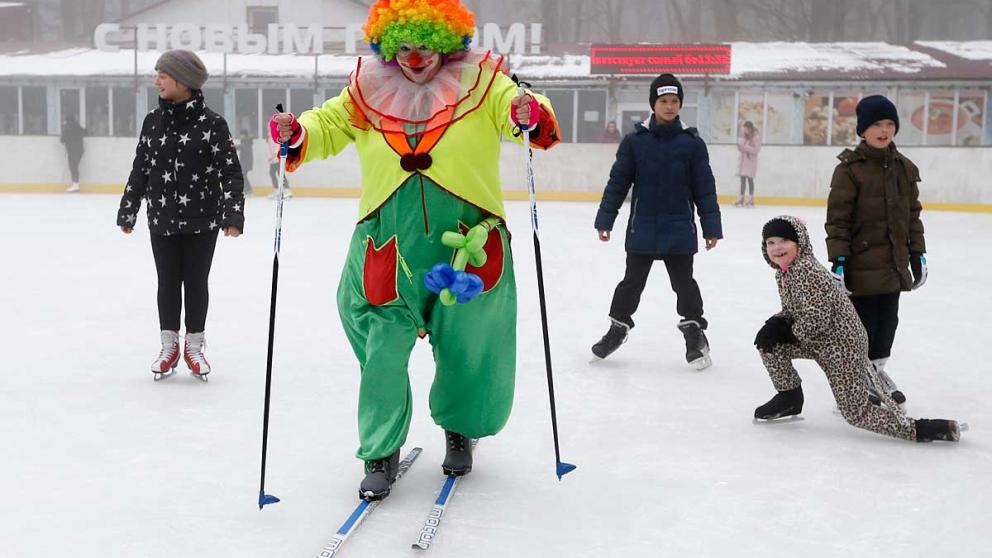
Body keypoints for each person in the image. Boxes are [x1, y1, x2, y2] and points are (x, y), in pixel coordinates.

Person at [269, 0, 560, 500]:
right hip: (388, 241)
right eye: (402, 47)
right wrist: (300, 133)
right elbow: (330, 124)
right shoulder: (367, 87)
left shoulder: (483, 80)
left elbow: (523, 114)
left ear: (446, 41)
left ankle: (460, 428)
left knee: (470, 345)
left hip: (467, 242)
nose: (414, 58)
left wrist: (529, 113)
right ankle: (380, 450)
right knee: (382, 349)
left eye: (425, 46)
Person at [753, 216, 959, 443]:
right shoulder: (786, 272)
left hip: (842, 347)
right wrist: (775, 324)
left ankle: (923, 429)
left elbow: (817, 318)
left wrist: (786, 332)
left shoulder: (806, 271)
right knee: (770, 344)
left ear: (799, 243)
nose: (777, 247)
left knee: (856, 413)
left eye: (784, 240)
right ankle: (789, 397)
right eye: (770, 242)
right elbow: (796, 310)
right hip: (819, 338)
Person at [116, 49, 245, 381]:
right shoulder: (153, 121)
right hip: (162, 217)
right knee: (168, 282)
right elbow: (140, 168)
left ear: (183, 81)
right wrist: (128, 207)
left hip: (203, 220)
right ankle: (169, 344)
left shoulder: (213, 124)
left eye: (163, 74)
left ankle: (194, 345)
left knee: (196, 282)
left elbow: (230, 172)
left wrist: (233, 214)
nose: (156, 80)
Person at [591, 73, 722, 370]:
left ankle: (694, 334)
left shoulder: (692, 144)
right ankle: (616, 330)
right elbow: (618, 183)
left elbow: (704, 188)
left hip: (679, 229)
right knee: (630, 285)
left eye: (675, 101)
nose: (670, 106)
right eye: (664, 101)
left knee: (684, 285)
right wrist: (606, 219)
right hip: (643, 228)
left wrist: (711, 227)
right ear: (653, 104)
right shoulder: (635, 142)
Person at [825, 95, 926, 406]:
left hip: (893, 265)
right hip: (861, 264)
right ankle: (860, 378)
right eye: (877, 125)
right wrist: (839, 260)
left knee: (888, 323)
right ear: (863, 130)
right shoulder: (850, 171)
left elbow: (912, 216)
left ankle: (876, 371)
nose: (884, 130)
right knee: (864, 326)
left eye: (890, 124)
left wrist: (917, 254)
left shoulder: (904, 169)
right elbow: (838, 220)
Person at [734, 120, 761, 207]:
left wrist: (745, 147)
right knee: (742, 180)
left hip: (751, 162)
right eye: (744, 129)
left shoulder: (755, 137)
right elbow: (742, 146)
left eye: (746, 129)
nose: (744, 130)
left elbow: (756, 149)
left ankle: (750, 198)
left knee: (750, 180)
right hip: (744, 161)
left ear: (750, 128)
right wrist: (740, 147)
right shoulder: (744, 136)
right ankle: (741, 198)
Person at [61, 114, 85, 192]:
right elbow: (85, 131)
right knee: (75, 166)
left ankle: (75, 185)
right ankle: (75, 184)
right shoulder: (77, 126)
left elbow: (62, 140)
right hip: (80, 150)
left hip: (72, 151)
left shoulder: (67, 128)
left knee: (73, 166)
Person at [267, 135, 292, 199]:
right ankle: (277, 190)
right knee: (272, 173)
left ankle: (287, 190)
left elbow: (277, 147)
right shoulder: (269, 138)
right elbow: (270, 148)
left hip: (277, 158)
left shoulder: (274, 136)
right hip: (273, 159)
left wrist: (273, 155)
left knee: (280, 174)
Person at [237, 128, 254, 196]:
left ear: (244, 135)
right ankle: (248, 190)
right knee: (244, 176)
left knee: (243, 176)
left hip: (246, 162)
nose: (240, 136)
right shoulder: (245, 141)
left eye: (242, 135)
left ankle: (248, 190)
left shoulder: (246, 141)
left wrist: (233, 146)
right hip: (245, 162)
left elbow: (242, 147)